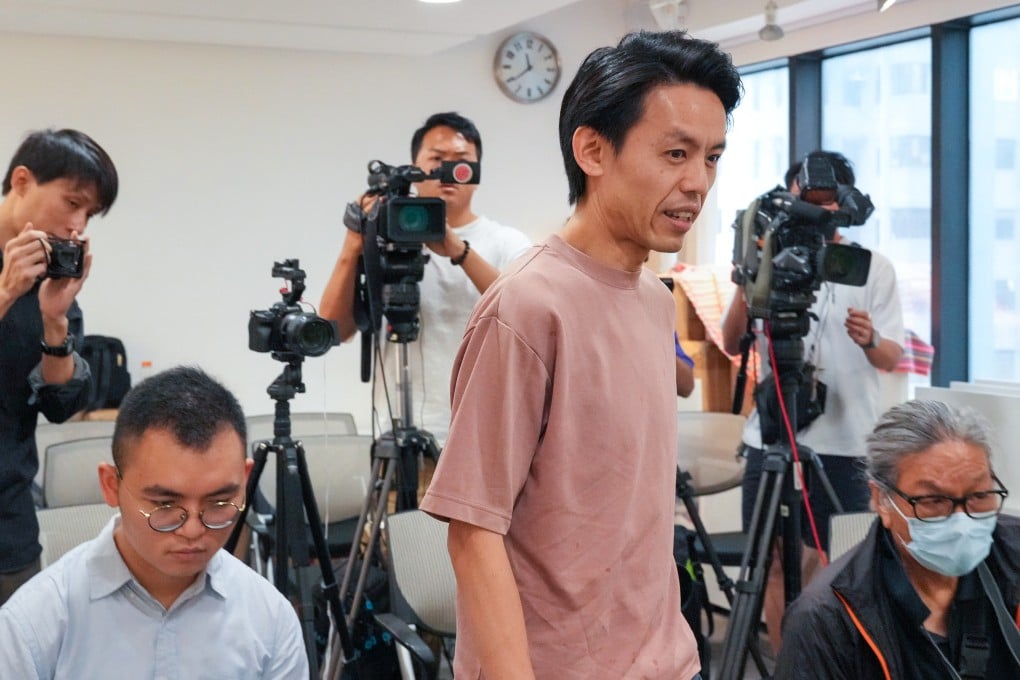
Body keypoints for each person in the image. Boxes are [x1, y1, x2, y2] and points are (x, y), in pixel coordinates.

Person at [420, 31, 742, 679]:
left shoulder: (653, 298)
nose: (697, 182)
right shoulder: (527, 306)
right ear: (593, 150)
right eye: (675, 153)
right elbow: (473, 530)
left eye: (711, 157)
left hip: (661, 660)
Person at [0, 366, 309, 678]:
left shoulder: (269, 618)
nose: (193, 530)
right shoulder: (34, 625)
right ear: (111, 485)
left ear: (245, 481)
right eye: (164, 504)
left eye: (218, 503)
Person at [720, 149, 905, 653]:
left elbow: (890, 358)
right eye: (811, 201)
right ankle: (786, 664)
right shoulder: (765, 260)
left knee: (844, 567)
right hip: (771, 436)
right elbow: (731, 339)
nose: (819, 213)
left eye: (830, 202)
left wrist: (869, 339)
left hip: (844, 445)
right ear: (791, 199)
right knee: (774, 563)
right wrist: (748, 273)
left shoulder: (870, 268)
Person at [320, 111, 531, 447]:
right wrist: (353, 245)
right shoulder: (380, 239)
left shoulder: (507, 243)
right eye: (436, 159)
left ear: (475, 173)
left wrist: (459, 251)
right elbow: (331, 329)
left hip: (481, 440)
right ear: (414, 169)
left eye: (460, 161)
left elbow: (528, 314)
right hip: (397, 439)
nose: (446, 171)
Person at [775, 399, 1020, 679]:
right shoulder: (825, 621)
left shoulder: (1013, 556)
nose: (961, 521)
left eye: (979, 496)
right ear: (881, 500)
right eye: (933, 500)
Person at [0, 128, 119, 605]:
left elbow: (62, 404)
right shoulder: (16, 281)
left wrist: (54, 322)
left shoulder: (51, 279)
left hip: (9, 521)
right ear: (22, 181)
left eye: (89, 214)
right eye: (72, 203)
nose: (78, 225)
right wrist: (6, 293)